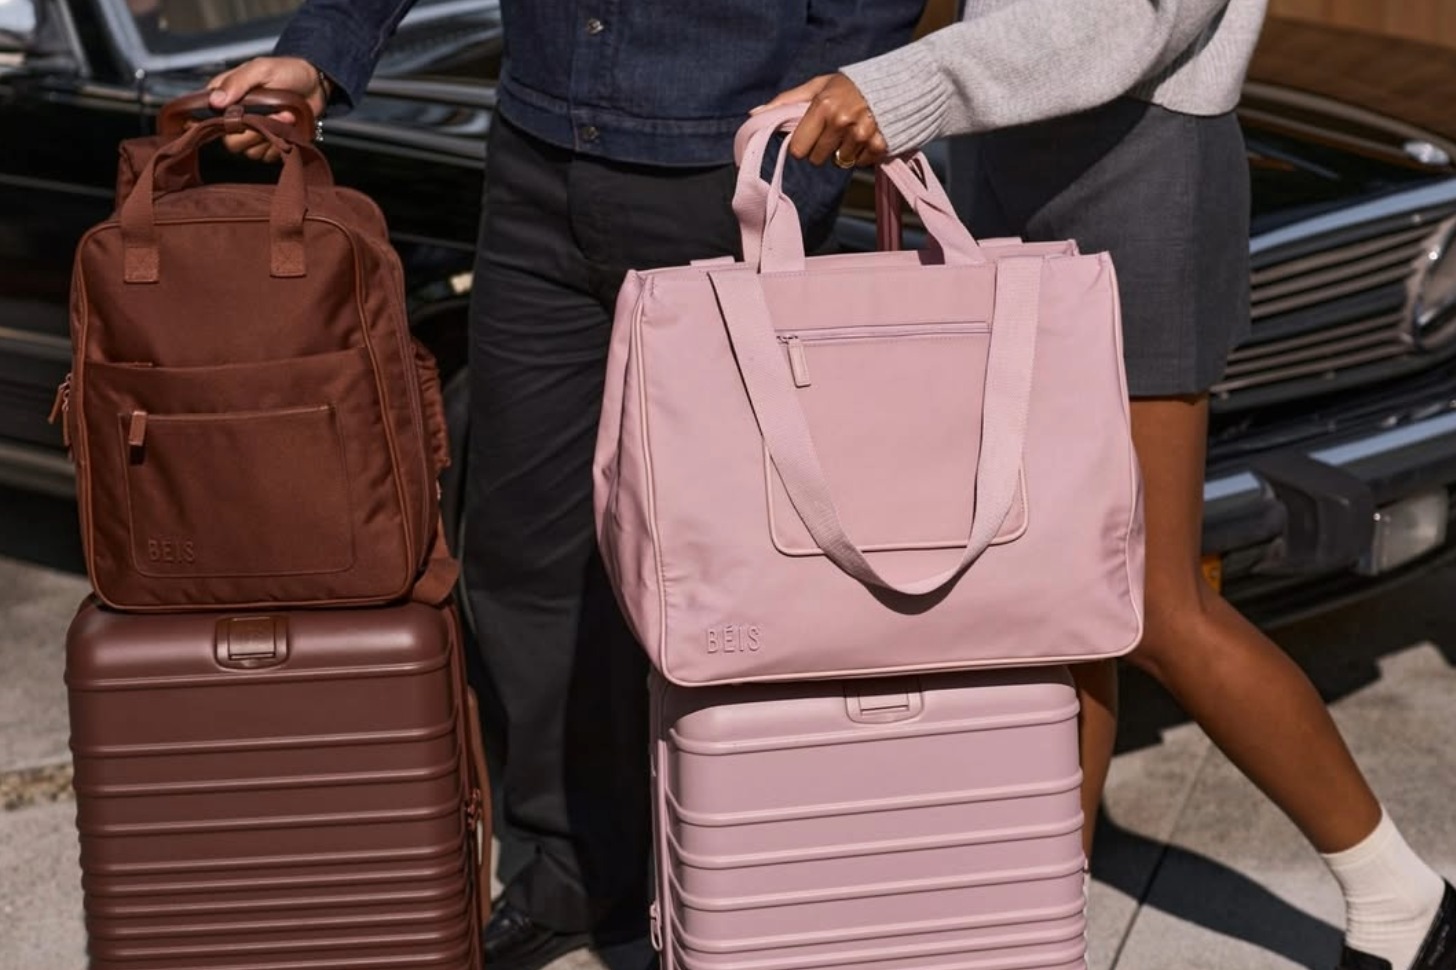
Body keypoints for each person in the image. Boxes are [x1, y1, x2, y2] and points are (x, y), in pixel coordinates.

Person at [205, 2, 926, 969]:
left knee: (734, 570)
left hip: (726, 173)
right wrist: (320, 53)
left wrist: (795, 172)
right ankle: (578, 876)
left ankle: (749, 879)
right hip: (536, 169)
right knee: (525, 549)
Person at [762, 3, 1456, 970]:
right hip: (1005, 154)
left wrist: (906, 86)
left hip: (1140, 168)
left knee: (1149, 602)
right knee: (1053, 601)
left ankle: (1399, 896)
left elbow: (1140, 19)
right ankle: (1041, 923)